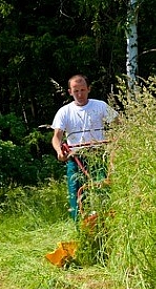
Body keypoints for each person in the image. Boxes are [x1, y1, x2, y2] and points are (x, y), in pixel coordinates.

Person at [51, 74, 118, 221]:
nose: (80, 94)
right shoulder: (65, 112)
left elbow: (118, 125)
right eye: (76, 91)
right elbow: (56, 137)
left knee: (103, 191)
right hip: (75, 158)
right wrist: (59, 152)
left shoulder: (100, 106)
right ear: (70, 92)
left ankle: (106, 226)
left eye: (82, 90)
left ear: (89, 89)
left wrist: (115, 141)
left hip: (98, 155)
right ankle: (81, 231)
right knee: (76, 195)